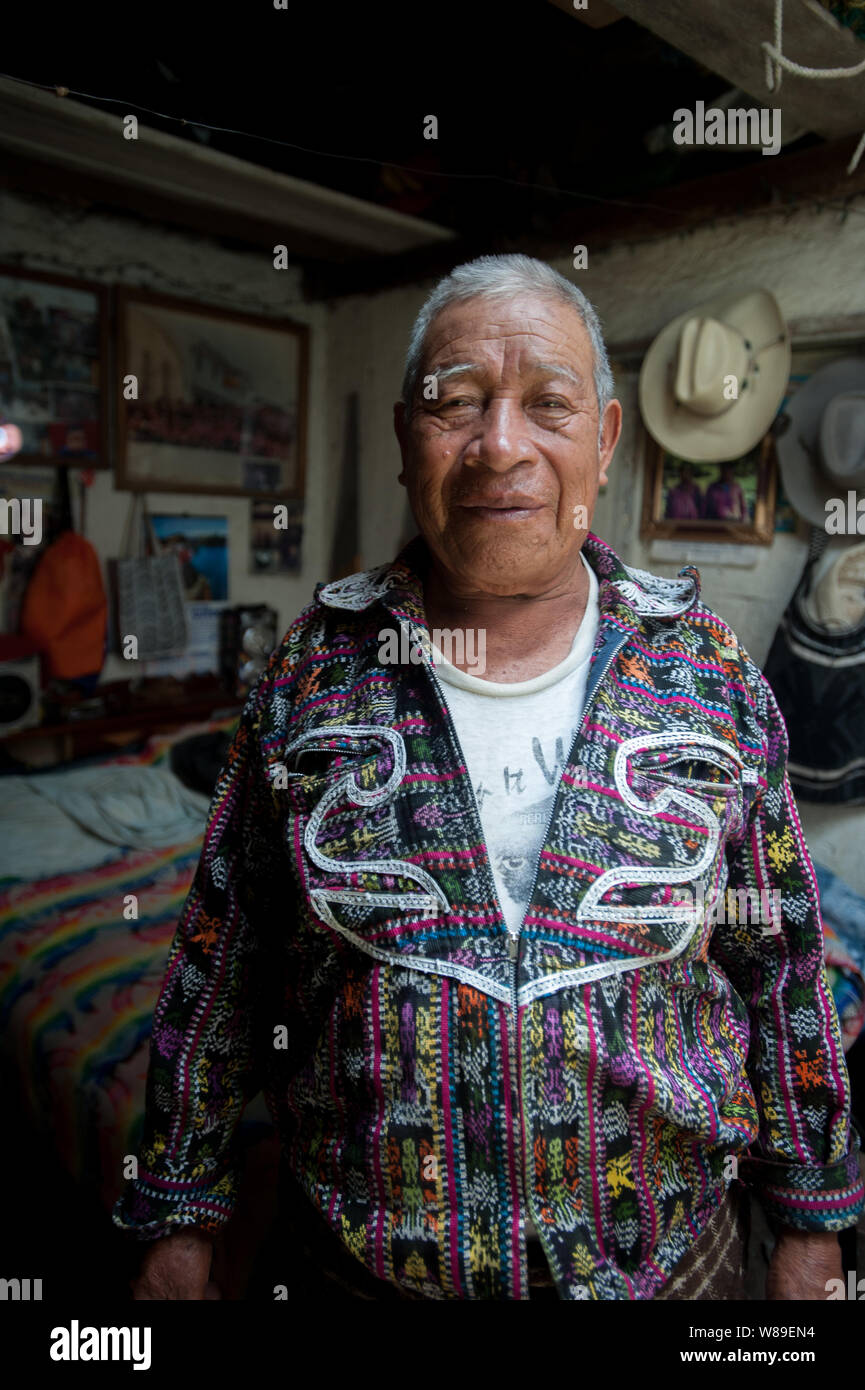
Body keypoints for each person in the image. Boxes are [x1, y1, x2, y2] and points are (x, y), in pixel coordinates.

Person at [115, 255, 863, 1301]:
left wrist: (813, 1225)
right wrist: (181, 1217)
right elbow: (221, 956)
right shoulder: (308, 671)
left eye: (546, 405)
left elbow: (782, 965)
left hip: (672, 1273)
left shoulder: (709, 674)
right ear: (403, 439)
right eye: (455, 403)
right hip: (359, 1275)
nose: (498, 445)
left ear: (602, 443)